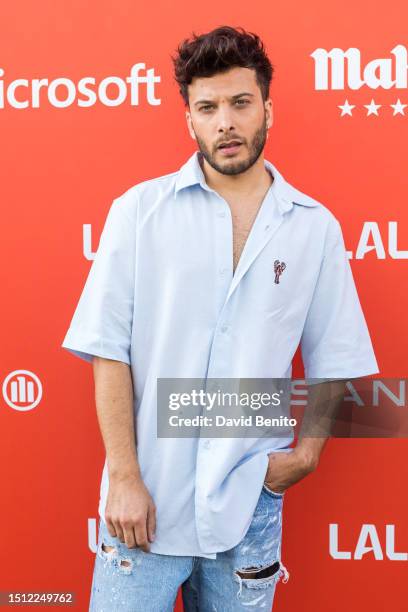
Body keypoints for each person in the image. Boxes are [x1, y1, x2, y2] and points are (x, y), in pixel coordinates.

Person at [61, 25, 379, 611]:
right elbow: (109, 351)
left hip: (248, 503)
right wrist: (125, 478)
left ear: (267, 109)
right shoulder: (138, 213)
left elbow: (336, 359)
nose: (225, 122)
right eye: (208, 108)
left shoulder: (313, 227)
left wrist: (306, 455)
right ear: (190, 120)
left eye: (240, 103)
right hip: (144, 506)